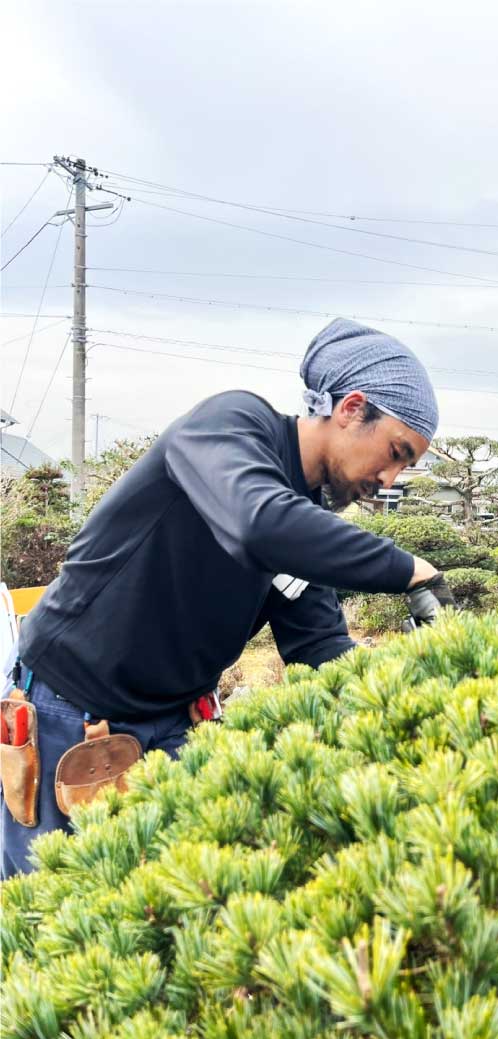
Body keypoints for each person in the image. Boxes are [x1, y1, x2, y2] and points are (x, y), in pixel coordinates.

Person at [1, 318, 455, 877]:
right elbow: (256, 523)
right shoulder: (231, 427)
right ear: (351, 408)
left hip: (171, 724)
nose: (390, 479)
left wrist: (421, 679)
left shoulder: (303, 520)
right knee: (51, 920)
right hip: (70, 713)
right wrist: (410, 571)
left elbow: (318, 647)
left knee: (160, 917)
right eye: (395, 451)